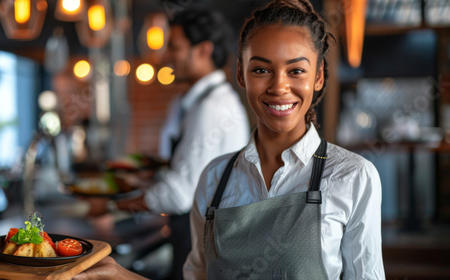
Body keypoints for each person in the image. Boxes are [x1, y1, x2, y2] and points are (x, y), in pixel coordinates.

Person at [75, 0, 385, 279]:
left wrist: (117, 206)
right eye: (261, 69)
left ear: (318, 77)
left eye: (296, 71)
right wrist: (121, 276)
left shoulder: (353, 176)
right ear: (241, 73)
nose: (279, 86)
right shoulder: (213, 178)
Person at [85, 8, 250, 280]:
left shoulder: (211, 108)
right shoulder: (201, 102)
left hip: (205, 244)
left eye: (174, 47)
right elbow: (184, 173)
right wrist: (145, 177)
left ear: (203, 50)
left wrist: (113, 206)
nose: (166, 56)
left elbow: (178, 194)